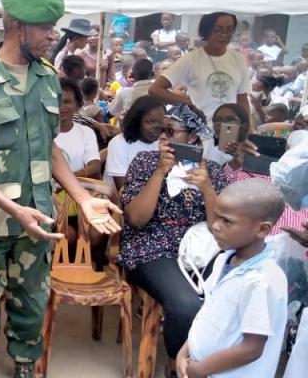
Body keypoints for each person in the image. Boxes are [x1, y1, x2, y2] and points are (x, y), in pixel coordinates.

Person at [0, 0, 121, 377]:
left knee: (30, 302)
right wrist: (12, 209)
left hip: (36, 221)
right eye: (45, 27)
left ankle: (25, 365)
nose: (54, 35)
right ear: (16, 26)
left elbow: (50, 149)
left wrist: (81, 197)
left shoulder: (45, 77)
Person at [121, 104, 228, 363]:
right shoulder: (145, 162)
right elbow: (136, 219)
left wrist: (207, 190)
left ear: (192, 137)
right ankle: (181, 365)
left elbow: (221, 228)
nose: (163, 138)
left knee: (228, 299)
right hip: (152, 247)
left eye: (171, 131)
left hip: (202, 250)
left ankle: (209, 361)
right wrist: (159, 172)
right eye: (161, 131)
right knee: (187, 305)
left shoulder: (211, 171)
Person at [176, 179, 287, 378]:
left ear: (262, 229)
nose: (215, 226)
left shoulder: (262, 281)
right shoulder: (224, 260)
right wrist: (185, 351)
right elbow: (208, 310)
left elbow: (252, 348)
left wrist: (202, 369)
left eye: (226, 221)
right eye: (216, 217)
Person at [149, 12, 250, 124]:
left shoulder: (238, 59)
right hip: (199, 129)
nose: (224, 34)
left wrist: (247, 129)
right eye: (218, 30)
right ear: (206, 31)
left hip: (230, 130)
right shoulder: (191, 58)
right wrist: (189, 103)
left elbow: (242, 98)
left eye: (229, 30)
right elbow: (155, 89)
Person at [104, 96, 165, 190]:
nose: (157, 127)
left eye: (161, 122)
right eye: (149, 122)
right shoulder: (119, 144)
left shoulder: (163, 143)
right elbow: (123, 189)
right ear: (137, 121)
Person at [56, 78, 100, 179]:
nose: (61, 107)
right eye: (56, 101)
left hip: (77, 189)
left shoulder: (86, 132)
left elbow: (95, 165)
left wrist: (69, 179)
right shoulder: (40, 133)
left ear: (77, 105)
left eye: (67, 102)